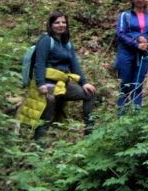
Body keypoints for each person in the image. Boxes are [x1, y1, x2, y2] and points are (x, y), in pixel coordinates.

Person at [25, 11, 97, 140]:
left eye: (63, 22)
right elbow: (39, 62)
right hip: (47, 83)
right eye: (57, 22)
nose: (61, 25)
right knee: (47, 110)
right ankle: (38, 143)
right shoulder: (46, 40)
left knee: (90, 94)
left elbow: (75, 65)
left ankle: (89, 133)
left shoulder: (67, 43)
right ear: (51, 25)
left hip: (62, 84)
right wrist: (40, 83)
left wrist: (84, 82)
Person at [114, 0, 148, 109]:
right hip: (126, 54)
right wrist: (136, 44)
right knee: (126, 85)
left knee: (138, 85)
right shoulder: (125, 15)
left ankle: (136, 114)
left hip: (144, 55)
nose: (140, 0)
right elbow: (121, 34)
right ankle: (122, 114)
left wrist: (146, 40)